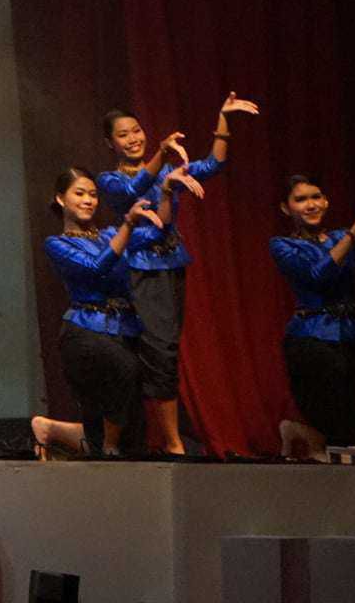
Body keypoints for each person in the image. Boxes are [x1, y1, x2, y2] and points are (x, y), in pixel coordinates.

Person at [97, 93, 259, 453]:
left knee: (161, 349)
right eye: (123, 135)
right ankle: (170, 442)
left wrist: (223, 120)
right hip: (139, 270)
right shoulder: (109, 180)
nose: (133, 138)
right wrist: (162, 157)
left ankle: (130, 439)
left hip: (170, 265)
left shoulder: (166, 171)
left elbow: (213, 164)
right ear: (110, 143)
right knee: (159, 350)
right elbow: (133, 189)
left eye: (136, 130)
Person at [32, 167, 163, 458]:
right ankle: (107, 445)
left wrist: (167, 193)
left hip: (123, 328)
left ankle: (58, 431)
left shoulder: (110, 234)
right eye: (79, 193)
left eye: (92, 194)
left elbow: (157, 230)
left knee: (131, 432)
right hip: (85, 332)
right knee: (126, 369)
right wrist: (128, 224)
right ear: (61, 199)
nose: (88, 200)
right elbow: (95, 268)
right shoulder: (57, 243)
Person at [270, 155, 355, 457]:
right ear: (287, 208)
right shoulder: (283, 245)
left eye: (316, 197)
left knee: (351, 418)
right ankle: (334, 464)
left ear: (326, 201)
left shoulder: (339, 237)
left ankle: (299, 432)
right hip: (310, 340)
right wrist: (353, 233)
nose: (311, 204)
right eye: (301, 200)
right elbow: (318, 275)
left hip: (348, 335)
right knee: (340, 423)